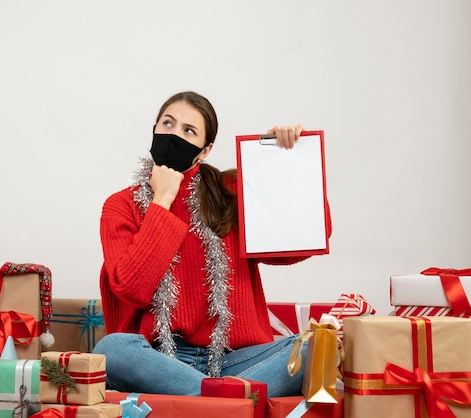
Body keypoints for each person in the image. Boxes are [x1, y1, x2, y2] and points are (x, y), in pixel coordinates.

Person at [92, 91, 331, 398]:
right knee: (112, 350)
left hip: (237, 359)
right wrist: (162, 201)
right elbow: (131, 288)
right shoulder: (121, 205)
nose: (175, 135)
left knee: (315, 346)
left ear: (205, 150)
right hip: (163, 361)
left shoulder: (230, 192)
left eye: (188, 131)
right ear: (154, 129)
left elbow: (303, 239)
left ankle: (211, 401)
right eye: (168, 124)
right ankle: (229, 402)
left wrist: (282, 162)